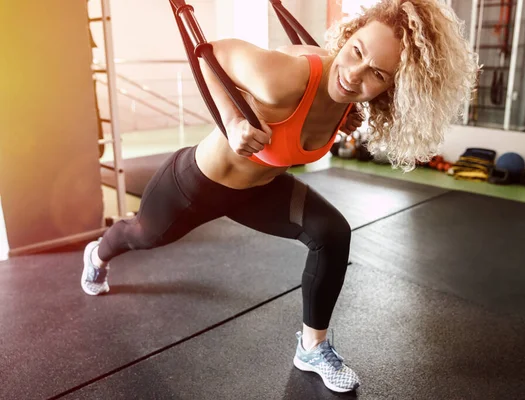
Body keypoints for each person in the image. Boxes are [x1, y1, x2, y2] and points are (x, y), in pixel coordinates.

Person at [81, 0, 478, 393]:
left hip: (259, 191)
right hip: (196, 185)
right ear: (350, 33)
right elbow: (208, 53)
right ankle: (97, 254)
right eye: (357, 50)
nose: (354, 75)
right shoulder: (285, 75)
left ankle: (312, 347)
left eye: (377, 74)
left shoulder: (349, 104)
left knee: (332, 233)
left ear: (393, 87)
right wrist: (233, 120)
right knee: (142, 235)